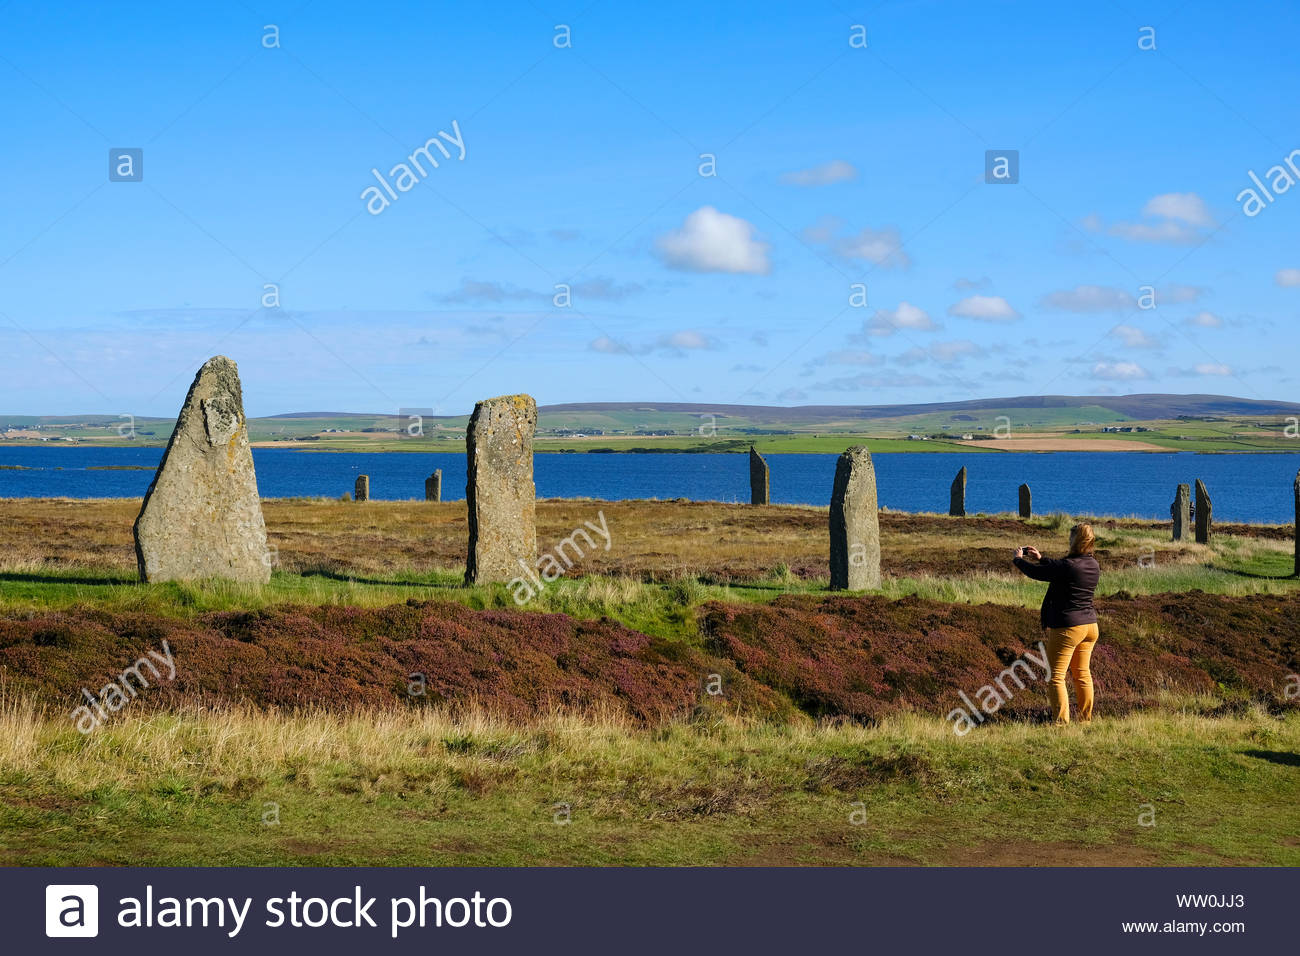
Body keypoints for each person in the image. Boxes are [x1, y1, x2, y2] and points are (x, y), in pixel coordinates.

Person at [1012, 524, 1100, 724]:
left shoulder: (1068, 566)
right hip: (1090, 627)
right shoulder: (1093, 564)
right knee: (1082, 674)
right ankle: (1085, 720)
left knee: (1056, 677)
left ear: (1074, 541)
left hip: (1068, 628)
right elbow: (1057, 568)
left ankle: (1061, 724)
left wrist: (1018, 560)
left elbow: (1039, 574)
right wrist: (1042, 559)